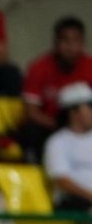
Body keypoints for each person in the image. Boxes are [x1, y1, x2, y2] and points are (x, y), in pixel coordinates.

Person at [21, 16, 92, 162]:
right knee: (31, 129)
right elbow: (31, 112)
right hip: (50, 126)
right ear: (56, 42)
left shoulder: (89, 66)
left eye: (76, 41)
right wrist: (61, 126)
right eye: (66, 41)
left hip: (84, 127)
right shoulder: (38, 67)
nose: (72, 47)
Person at [45, 81, 92, 216]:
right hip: (74, 200)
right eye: (89, 106)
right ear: (73, 112)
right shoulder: (57, 142)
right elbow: (62, 182)